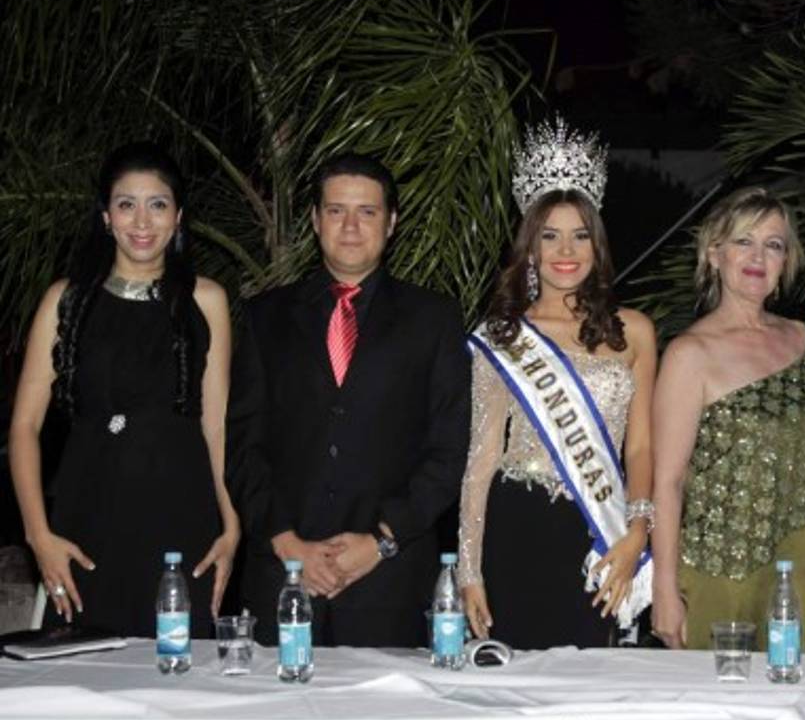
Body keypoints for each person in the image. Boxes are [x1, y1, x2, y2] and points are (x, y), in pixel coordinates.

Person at [227, 152, 469, 647]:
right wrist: (286, 542)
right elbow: (242, 445)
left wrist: (381, 542)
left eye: (367, 212)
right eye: (337, 210)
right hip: (284, 577)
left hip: (390, 582)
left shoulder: (434, 319)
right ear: (316, 221)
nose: (351, 226)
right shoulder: (264, 317)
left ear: (391, 222)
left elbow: (449, 450)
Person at [9, 142, 238, 636]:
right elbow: (24, 426)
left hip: (183, 517)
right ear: (106, 217)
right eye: (126, 204)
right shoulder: (65, 301)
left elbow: (217, 427)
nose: (142, 221)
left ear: (178, 217)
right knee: (78, 667)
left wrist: (232, 526)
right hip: (86, 516)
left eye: (157, 204)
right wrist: (38, 534)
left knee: (179, 668)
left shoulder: (207, 300)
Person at [458, 118, 657, 648]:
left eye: (579, 235)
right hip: (518, 523)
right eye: (550, 236)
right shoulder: (502, 335)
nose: (566, 251)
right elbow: (480, 460)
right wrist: (469, 570)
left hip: (599, 529)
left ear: (597, 244)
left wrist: (638, 530)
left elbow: (641, 446)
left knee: (592, 673)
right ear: (530, 246)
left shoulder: (635, 332)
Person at [651, 187, 805, 651]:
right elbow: (667, 483)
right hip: (721, 576)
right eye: (744, 241)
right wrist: (664, 589)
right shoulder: (688, 354)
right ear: (714, 254)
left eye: (773, 245)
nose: (758, 257)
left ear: (785, 262)